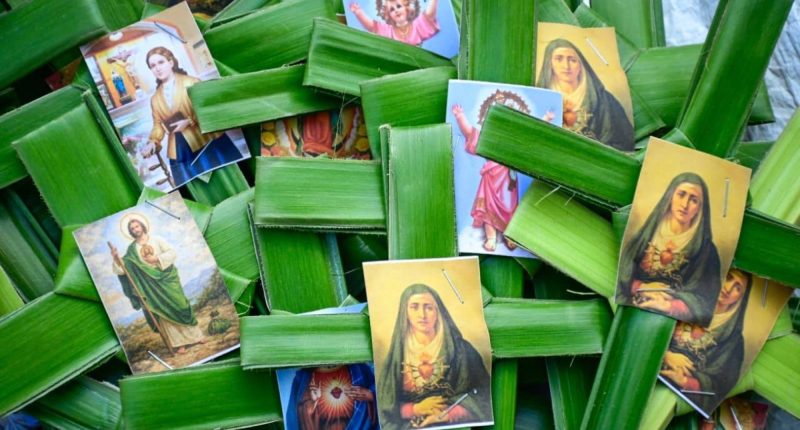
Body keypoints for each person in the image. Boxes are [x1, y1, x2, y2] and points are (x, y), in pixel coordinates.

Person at [378, 284, 492, 429]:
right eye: (414, 307)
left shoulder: (462, 350)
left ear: (438, 312)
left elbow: (482, 395)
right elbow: (384, 407)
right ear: (405, 312)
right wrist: (414, 409)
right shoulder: (397, 356)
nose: (422, 315)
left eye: (428, 307)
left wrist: (448, 414)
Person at [617, 172, 722, 326]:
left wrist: (671, 306)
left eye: (693, 200)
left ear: (700, 208)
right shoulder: (647, 233)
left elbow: (705, 300)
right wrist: (640, 287)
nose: (685, 204)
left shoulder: (706, 251)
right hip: (632, 308)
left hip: (669, 322)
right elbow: (621, 271)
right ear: (670, 196)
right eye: (681, 194)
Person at [141, 46, 242, 186]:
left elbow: (208, 109)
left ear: (171, 62)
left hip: (206, 142)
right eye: (152, 66)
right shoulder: (155, 99)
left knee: (226, 180)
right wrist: (153, 141)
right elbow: (158, 125)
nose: (157, 68)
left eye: (161, 62)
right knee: (195, 188)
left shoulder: (192, 82)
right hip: (180, 150)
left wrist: (189, 121)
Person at [452, 91, 536, 252]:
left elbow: (530, 144)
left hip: (508, 182)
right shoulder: (487, 138)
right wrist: (460, 116)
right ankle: (491, 238)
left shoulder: (514, 142)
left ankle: (509, 236)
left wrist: (546, 120)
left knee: (509, 208)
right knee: (488, 209)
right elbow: (470, 133)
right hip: (490, 179)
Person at [660, 269, 751, 414]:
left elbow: (719, 383)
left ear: (741, 298)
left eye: (738, 288)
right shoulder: (685, 302)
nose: (728, 289)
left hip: (673, 400)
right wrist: (665, 355)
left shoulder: (733, 342)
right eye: (728, 277)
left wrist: (685, 381)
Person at [111, 214, 204, 354]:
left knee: (180, 305)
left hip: (167, 278)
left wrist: (157, 259)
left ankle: (196, 337)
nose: (135, 229)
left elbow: (172, 253)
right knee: (163, 311)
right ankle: (180, 344)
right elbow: (123, 269)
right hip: (150, 287)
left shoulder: (157, 239)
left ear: (142, 226)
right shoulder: (132, 250)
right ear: (130, 232)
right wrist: (116, 258)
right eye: (132, 228)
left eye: (137, 226)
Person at [536, 38, 635, 151]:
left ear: (581, 65)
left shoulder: (604, 100)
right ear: (549, 64)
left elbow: (624, 142)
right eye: (559, 59)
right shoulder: (539, 98)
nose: (566, 66)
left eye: (572, 60)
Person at [284, 364, 378, 430]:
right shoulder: (304, 379)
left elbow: (382, 394)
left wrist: (370, 395)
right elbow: (296, 417)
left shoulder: (361, 370)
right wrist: (312, 403)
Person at [349, 0, 439, 46]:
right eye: (392, 9)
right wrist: (358, 12)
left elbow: (429, 15)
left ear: (406, 8)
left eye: (399, 6)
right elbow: (372, 26)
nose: (396, 10)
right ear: (389, 15)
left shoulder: (416, 26)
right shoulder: (388, 31)